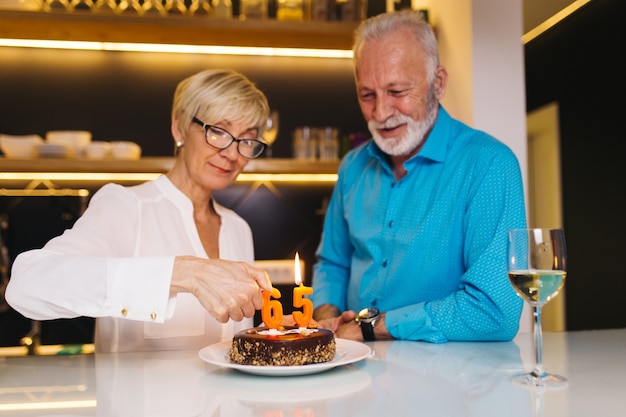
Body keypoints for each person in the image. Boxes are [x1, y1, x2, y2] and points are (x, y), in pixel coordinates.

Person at [6, 69, 273, 352]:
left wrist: (273, 335)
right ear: (179, 127)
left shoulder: (237, 228)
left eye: (246, 140)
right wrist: (184, 273)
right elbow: (27, 284)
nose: (232, 154)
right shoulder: (125, 206)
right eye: (218, 132)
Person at [310, 11, 527, 343]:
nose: (381, 113)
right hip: (353, 368)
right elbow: (333, 264)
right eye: (367, 95)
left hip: (451, 380)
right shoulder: (352, 167)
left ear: (437, 83)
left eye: (397, 91)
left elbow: (494, 311)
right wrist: (327, 316)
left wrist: (374, 327)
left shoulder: (489, 165)